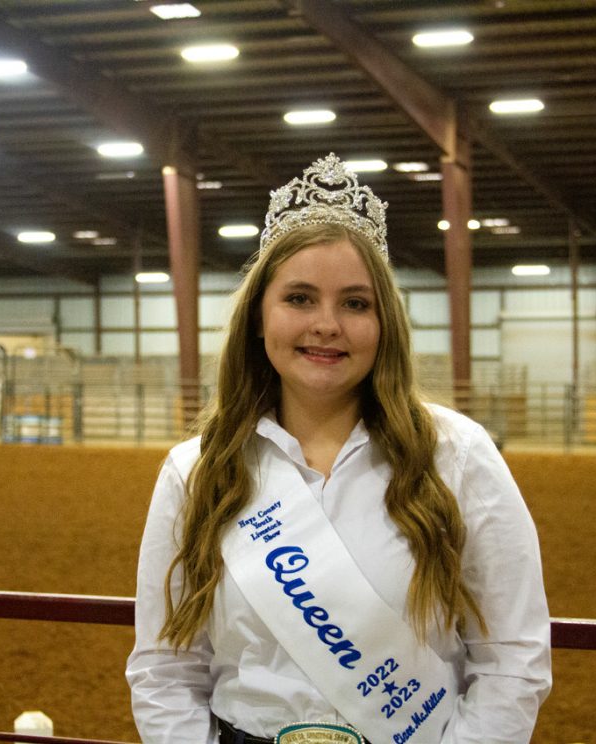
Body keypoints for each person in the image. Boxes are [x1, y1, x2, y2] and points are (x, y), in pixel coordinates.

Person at [126, 153, 551, 744]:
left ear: (384, 324)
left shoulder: (458, 456)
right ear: (258, 316)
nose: (326, 325)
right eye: (299, 298)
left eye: (355, 303)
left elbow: (513, 657)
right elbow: (165, 669)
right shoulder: (195, 472)